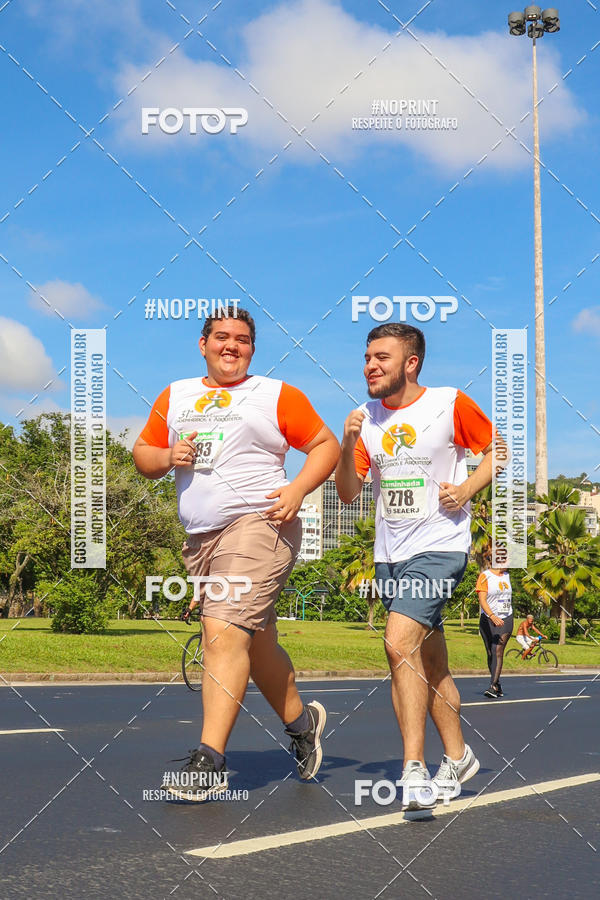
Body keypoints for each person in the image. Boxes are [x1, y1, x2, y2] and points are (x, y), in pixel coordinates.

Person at [133, 307, 340, 801]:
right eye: (221, 337)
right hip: (201, 539)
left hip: (260, 525)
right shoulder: (176, 394)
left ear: (252, 349)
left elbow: (325, 445)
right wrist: (167, 457)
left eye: (243, 340)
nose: (232, 346)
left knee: (223, 630)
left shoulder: (275, 395)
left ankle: (208, 761)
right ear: (202, 344)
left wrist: (297, 491)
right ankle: (301, 724)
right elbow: (142, 453)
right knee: (255, 641)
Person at [336, 323, 504, 810]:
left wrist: (467, 489)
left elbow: (497, 451)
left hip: (440, 545)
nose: (371, 364)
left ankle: (414, 769)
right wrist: (347, 445)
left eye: (382, 357)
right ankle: (459, 756)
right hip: (390, 555)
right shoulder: (365, 418)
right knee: (430, 663)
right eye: (367, 356)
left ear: (411, 363)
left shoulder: (449, 403)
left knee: (397, 641)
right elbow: (347, 493)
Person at [476, 560, 513, 699]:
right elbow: (483, 600)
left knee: (497, 650)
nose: (509, 562)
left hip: (506, 618)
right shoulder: (485, 576)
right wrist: (492, 616)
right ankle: (497, 683)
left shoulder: (508, 575)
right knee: (490, 653)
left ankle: (492, 687)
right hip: (487, 619)